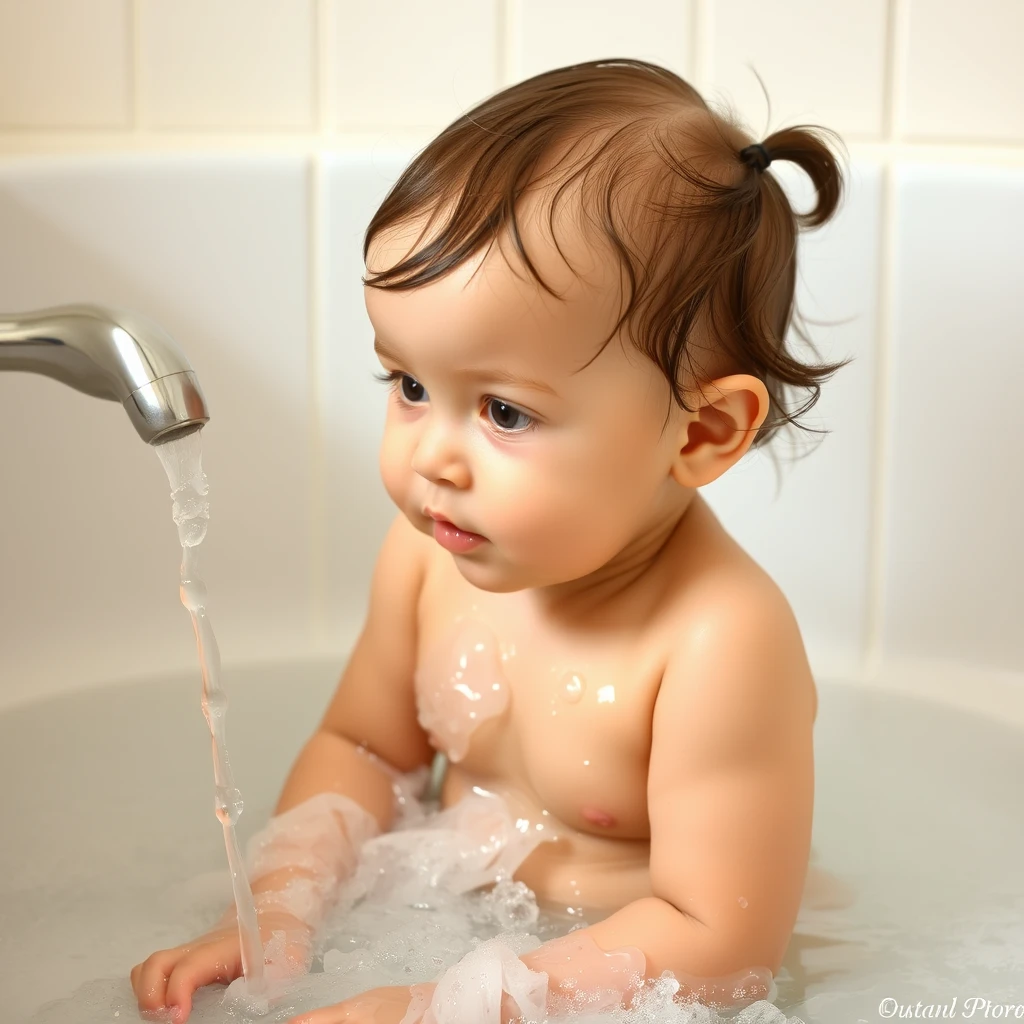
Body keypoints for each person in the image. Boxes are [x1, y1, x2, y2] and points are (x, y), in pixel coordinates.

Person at [131, 57, 848, 1024]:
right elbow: (364, 749)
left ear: (702, 432)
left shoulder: (721, 642)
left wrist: (448, 1007)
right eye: (410, 385)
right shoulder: (434, 555)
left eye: (504, 411)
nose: (433, 457)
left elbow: (722, 944)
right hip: (456, 929)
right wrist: (275, 911)